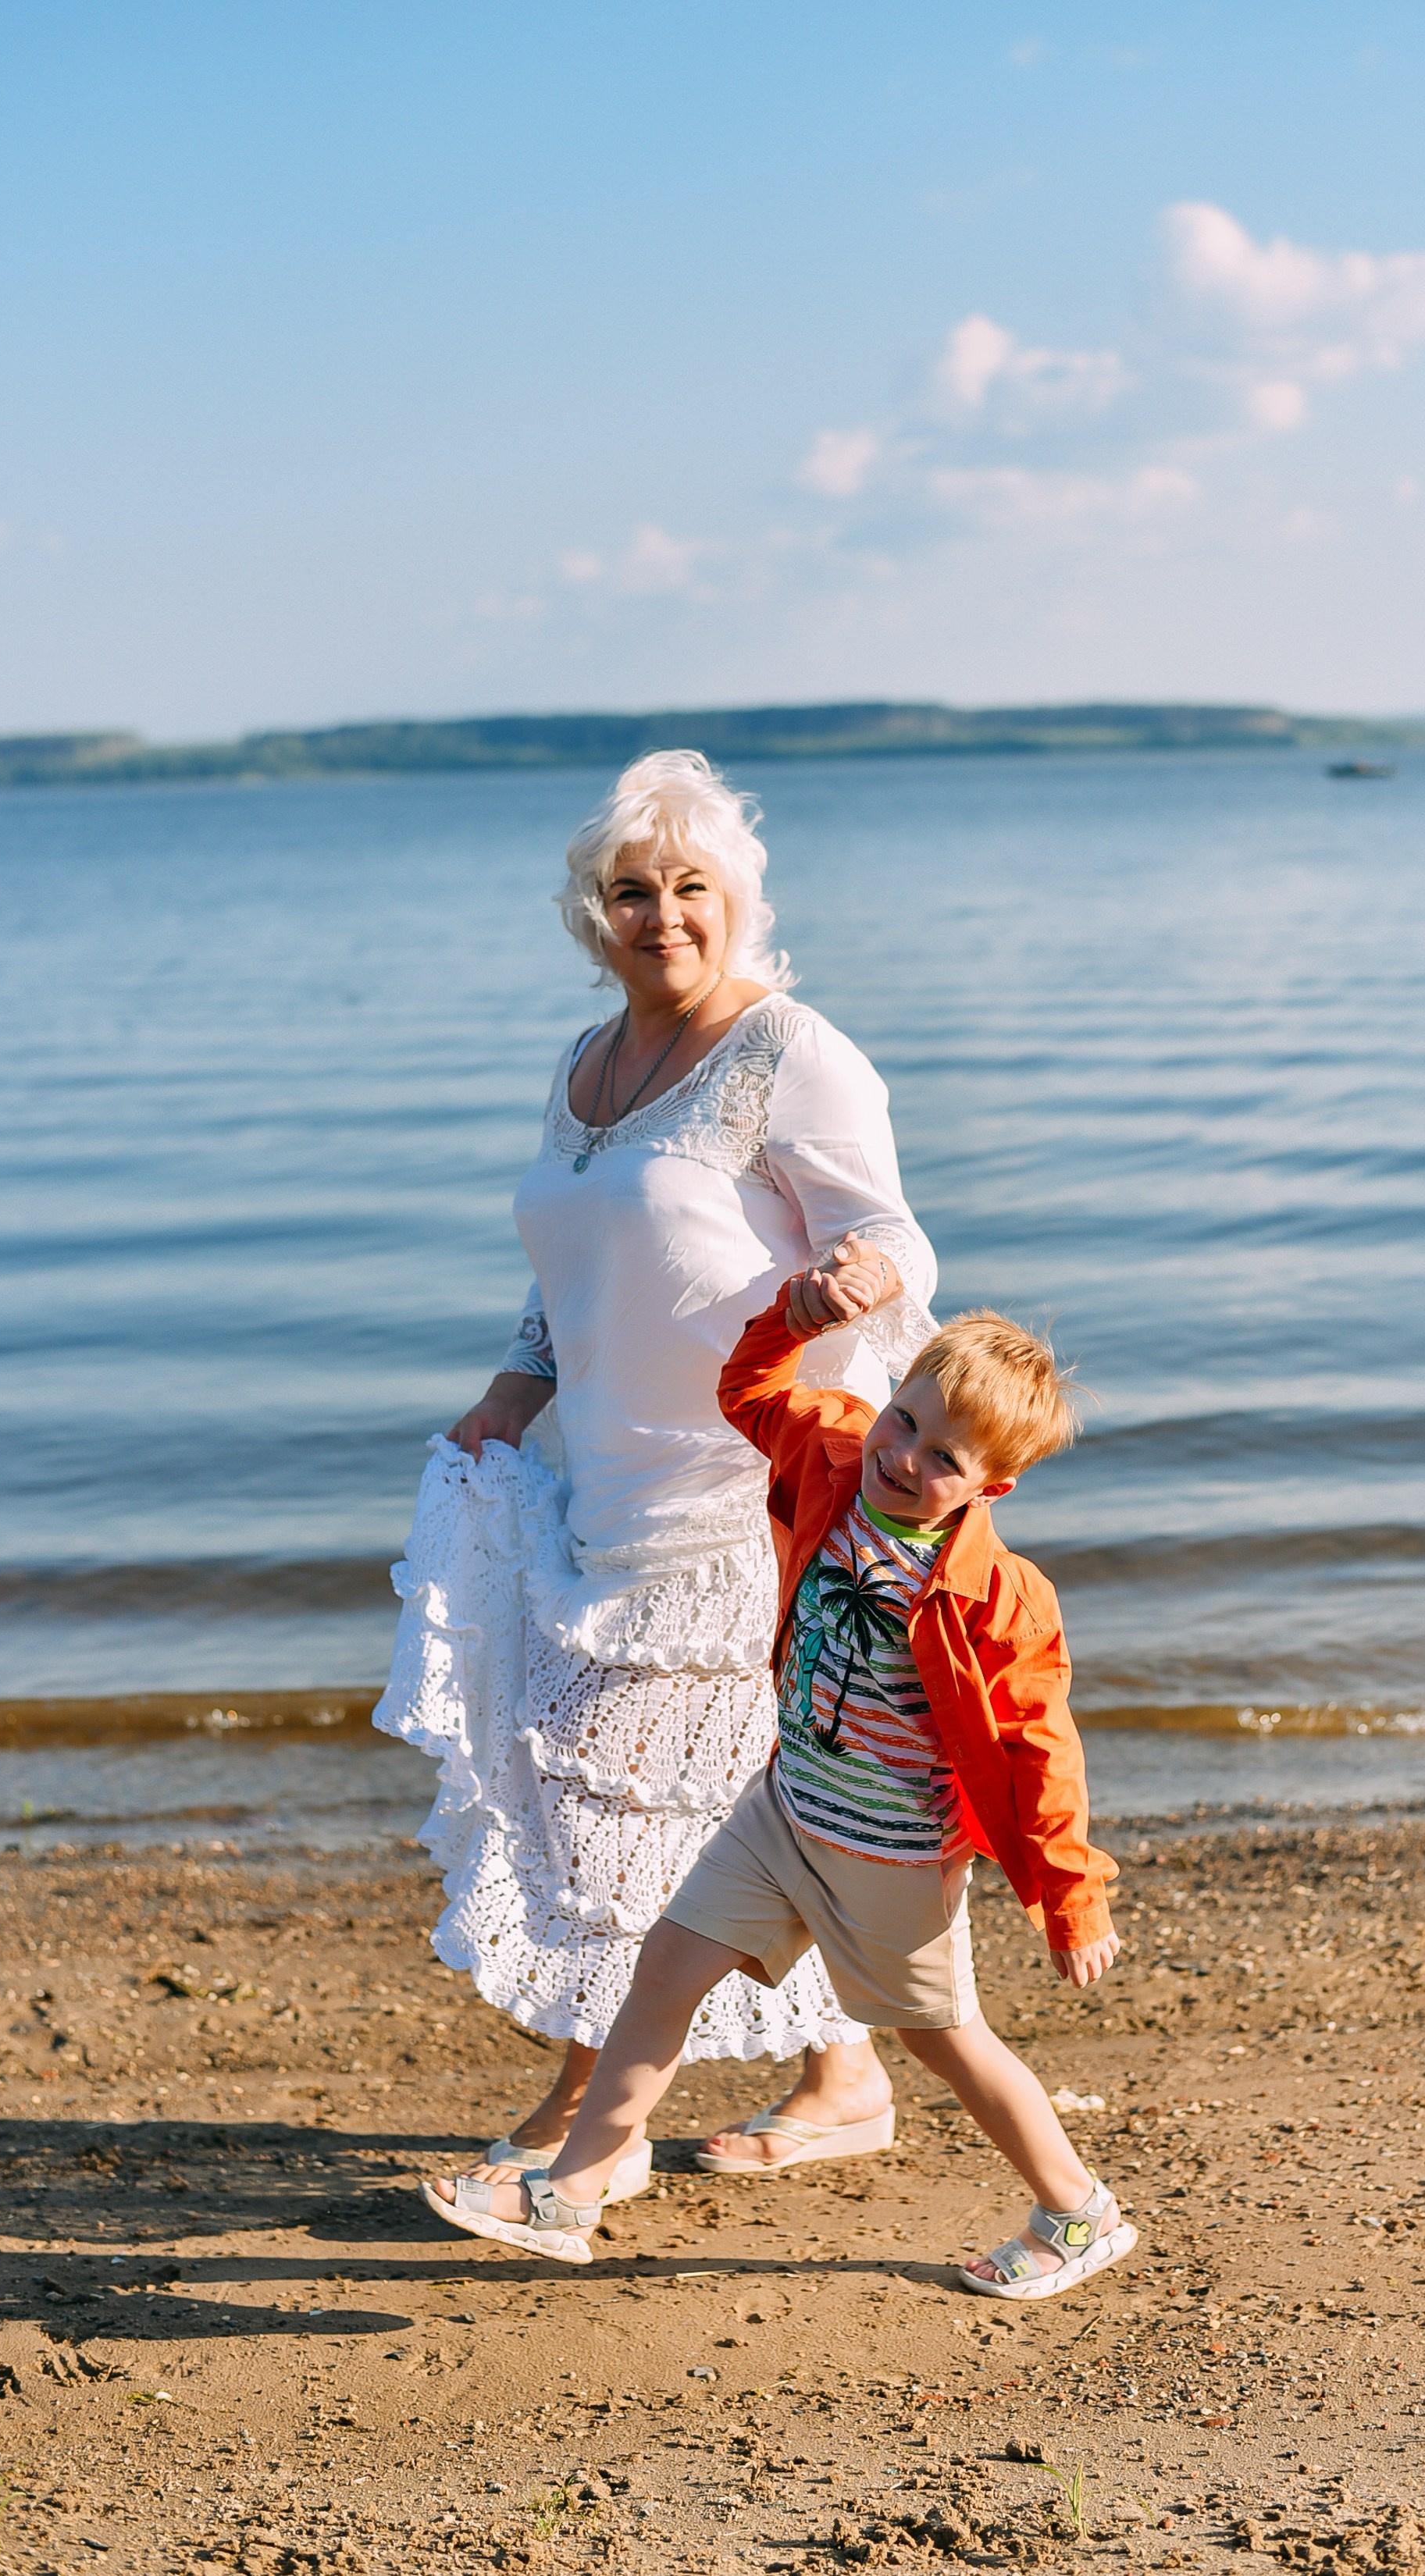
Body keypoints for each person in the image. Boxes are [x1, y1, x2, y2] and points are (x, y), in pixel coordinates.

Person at [376, 750, 937, 2190]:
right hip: (603, 1485)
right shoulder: (585, 1067)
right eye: (632, 890)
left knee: (610, 1793)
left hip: (745, 1483)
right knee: (745, 1793)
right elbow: (568, 1275)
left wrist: (860, 1280)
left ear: (736, 900)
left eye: (691, 887)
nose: (662, 915)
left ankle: (589, 2120)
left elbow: (894, 1236)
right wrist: (509, 1397)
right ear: (595, 913)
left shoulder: (787, 1048)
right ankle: (848, 2078)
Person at [426, 1247, 1135, 2301]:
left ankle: (1078, 2211)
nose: (905, 1457)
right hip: (785, 1811)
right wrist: (794, 1317)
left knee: (944, 2040)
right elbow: (750, 1390)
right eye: (905, 1420)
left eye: (944, 1456)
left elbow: (1042, 1751)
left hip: (892, 1857)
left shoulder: (1000, 1596)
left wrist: (1072, 1898)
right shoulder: (836, 1459)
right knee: (664, 1971)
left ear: (994, 1485)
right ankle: (570, 2194)